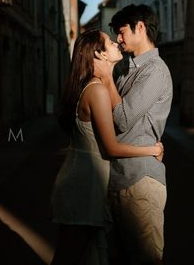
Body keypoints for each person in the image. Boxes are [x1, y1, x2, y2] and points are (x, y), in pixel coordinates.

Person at [50, 28, 164, 265]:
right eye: (110, 42)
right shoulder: (97, 91)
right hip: (82, 187)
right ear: (99, 54)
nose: (116, 44)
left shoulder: (94, 86)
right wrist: (151, 150)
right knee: (67, 258)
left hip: (85, 183)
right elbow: (111, 147)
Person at [94, 4, 173, 265]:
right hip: (118, 179)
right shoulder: (128, 70)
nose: (119, 38)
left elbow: (123, 118)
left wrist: (106, 79)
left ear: (140, 27)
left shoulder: (155, 71)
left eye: (122, 31)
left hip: (140, 181)